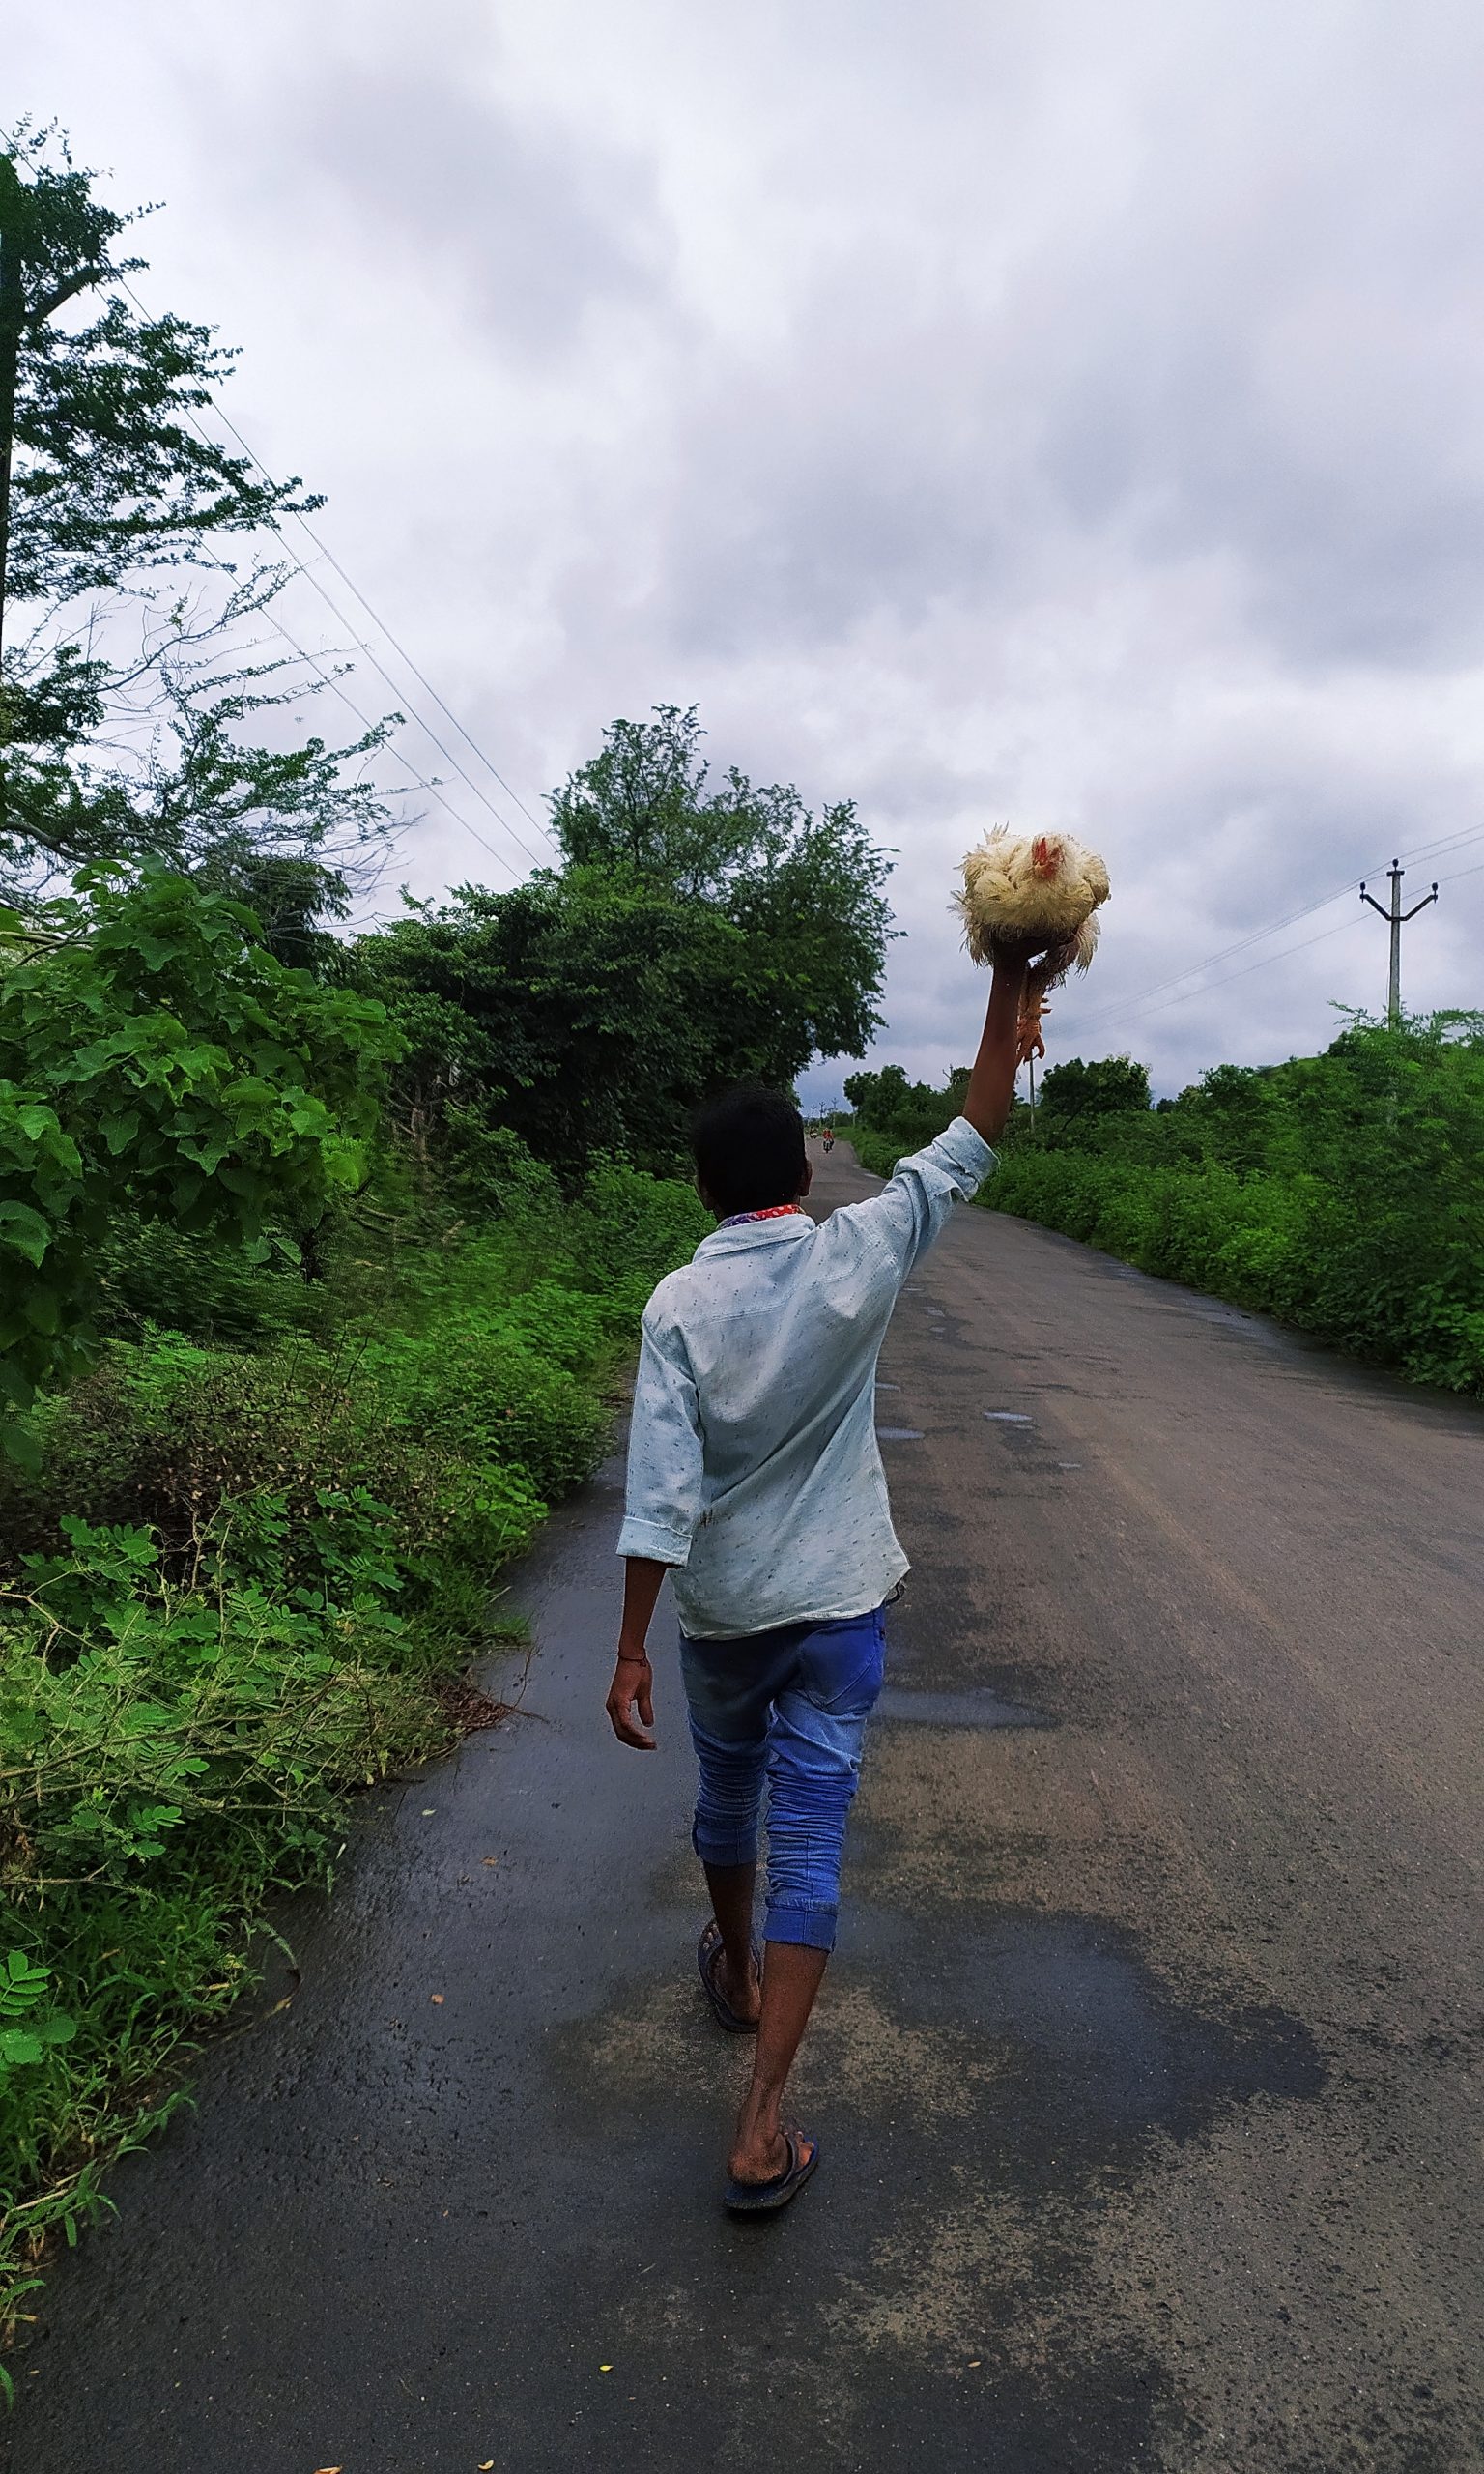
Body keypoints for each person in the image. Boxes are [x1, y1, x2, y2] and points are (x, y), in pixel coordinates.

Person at [605, 947, 1029, 2212]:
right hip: (840, 1612)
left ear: (701, 1185)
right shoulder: (861, 1255)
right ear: (803, 1174)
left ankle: (733, 1969)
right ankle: (764, 2121)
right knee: (813, 1841)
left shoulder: (676, 1306)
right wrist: (1010, 978)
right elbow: (976, 1123)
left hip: (725, 1621)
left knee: (726, 1797)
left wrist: (630, 1647)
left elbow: (657, 1497)